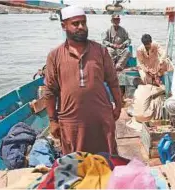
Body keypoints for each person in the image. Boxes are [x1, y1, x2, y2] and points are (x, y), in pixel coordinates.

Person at [44, 6, 122, 155]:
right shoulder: (54, 56)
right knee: (76, 165)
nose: (81, 27)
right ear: (63, 26)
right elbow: (50, 91)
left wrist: (118, 106)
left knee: (107, 158)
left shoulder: (100, 51)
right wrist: (53, 120)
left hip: (101, 117)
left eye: (83, 23)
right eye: (76, 24)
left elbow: (113, 81)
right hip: (71, 120)